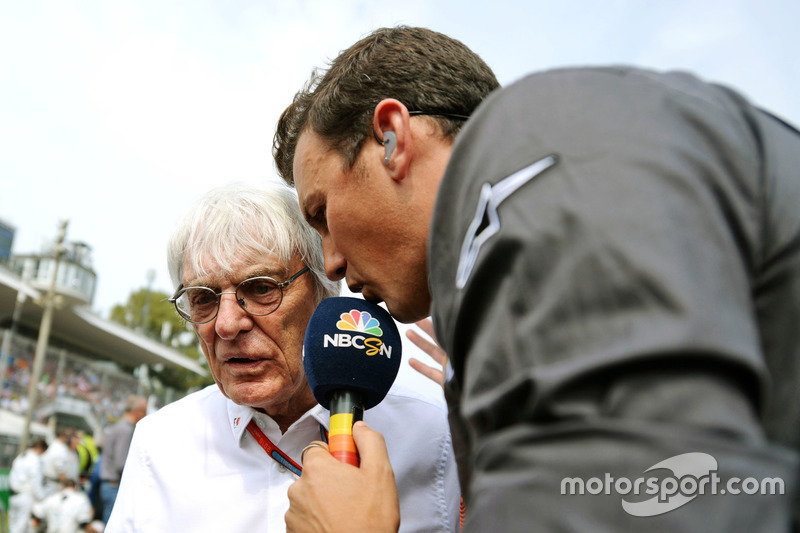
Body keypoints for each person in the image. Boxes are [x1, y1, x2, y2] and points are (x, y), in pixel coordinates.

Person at [275, 26, 800, 532]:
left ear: (392, 138)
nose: (332, 262)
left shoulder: (530, 163)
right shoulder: (563, 164)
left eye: (321, 212)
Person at [104, 182, 460, 532]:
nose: (226, 325)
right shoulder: (159, 443)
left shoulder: (437, 436)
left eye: (261, 288)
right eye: (203, 298)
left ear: (324, 291)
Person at [98, 395, 147, 524]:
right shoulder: (125, 430)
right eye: (144, 411)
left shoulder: (120, 426)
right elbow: (121, 463)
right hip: (113, 485)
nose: (146, 415)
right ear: (137, 411)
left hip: (110, 485)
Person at [8, 438, 48, 533]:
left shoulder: (21, 456)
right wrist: (42, 499)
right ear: (40, 448)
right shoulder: (35, 460)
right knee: (22, 526)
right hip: (26, 496)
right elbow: (36, 482)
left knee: (13, 525)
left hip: (13, 494)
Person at [41, 428, 80, 498]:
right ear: (62, 436)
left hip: (52, 484)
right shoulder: (59, 449)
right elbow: (61, 471)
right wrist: (69, 486)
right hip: (55, 485)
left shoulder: (56, 446)